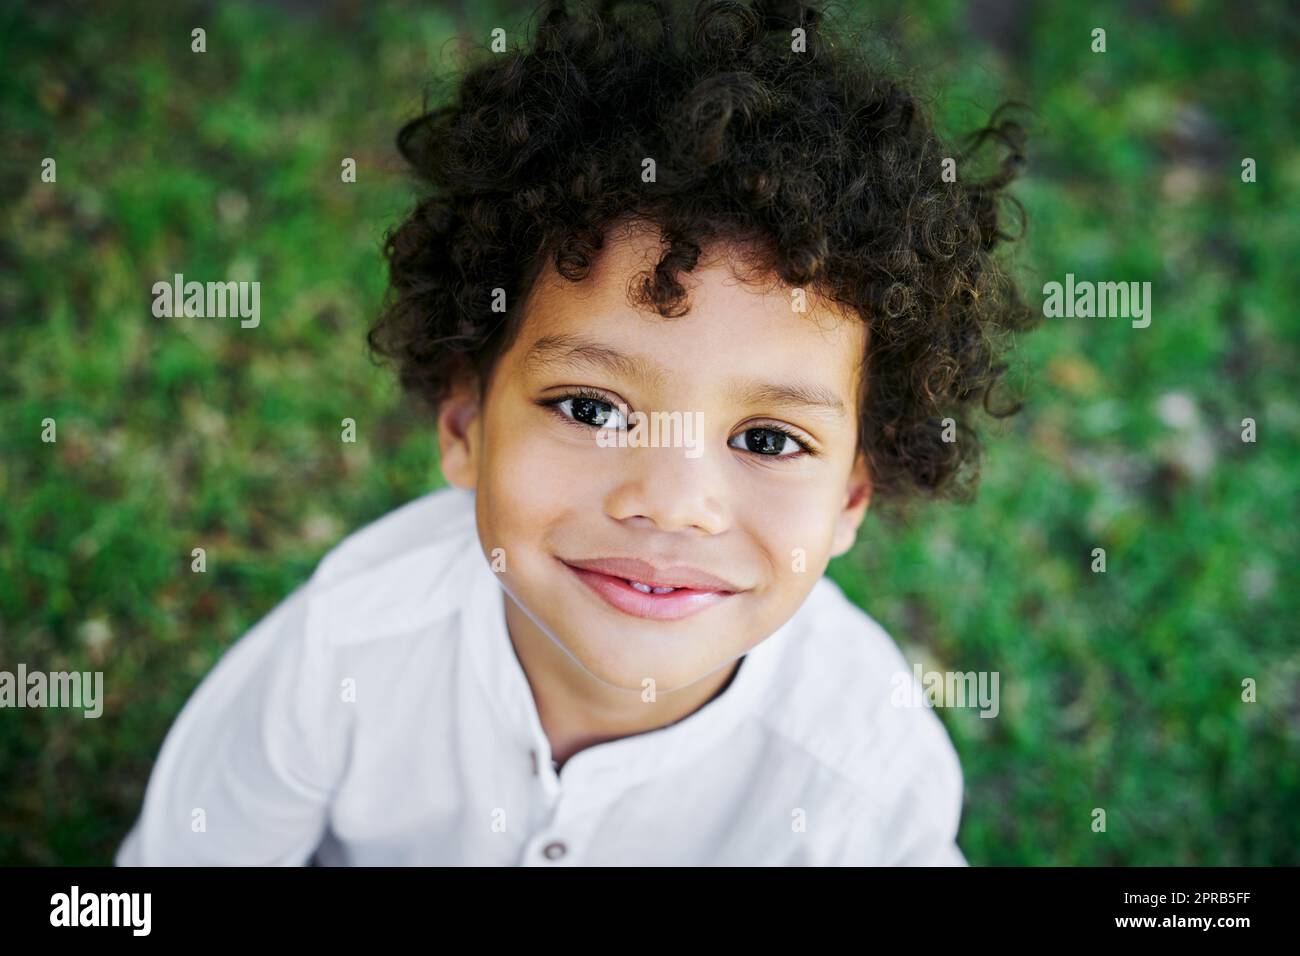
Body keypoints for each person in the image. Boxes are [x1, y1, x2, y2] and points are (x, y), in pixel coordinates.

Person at [117, 0, 1033, 866]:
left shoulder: (863, 780)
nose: (672, 504)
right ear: (465, 421)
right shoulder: (349, 651)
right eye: (592, 409)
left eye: (767, 439)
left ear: (852, 498)